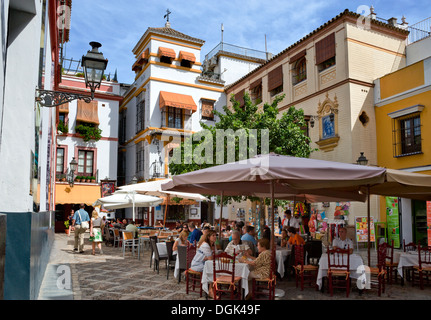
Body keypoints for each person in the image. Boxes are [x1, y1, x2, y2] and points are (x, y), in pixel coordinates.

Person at [190, 230, 216, 298]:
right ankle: (210, 290)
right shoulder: (206, 245)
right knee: (213, 270)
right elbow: (211, 258)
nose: (215, 237)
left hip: (203, 263)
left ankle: (213, 289)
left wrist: (209, 257)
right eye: (213, 235)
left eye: (215, 235)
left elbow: (212, 256)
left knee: (214, 268)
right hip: (197, 265)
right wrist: (209, 257)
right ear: (208, 237)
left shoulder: (212, 244)